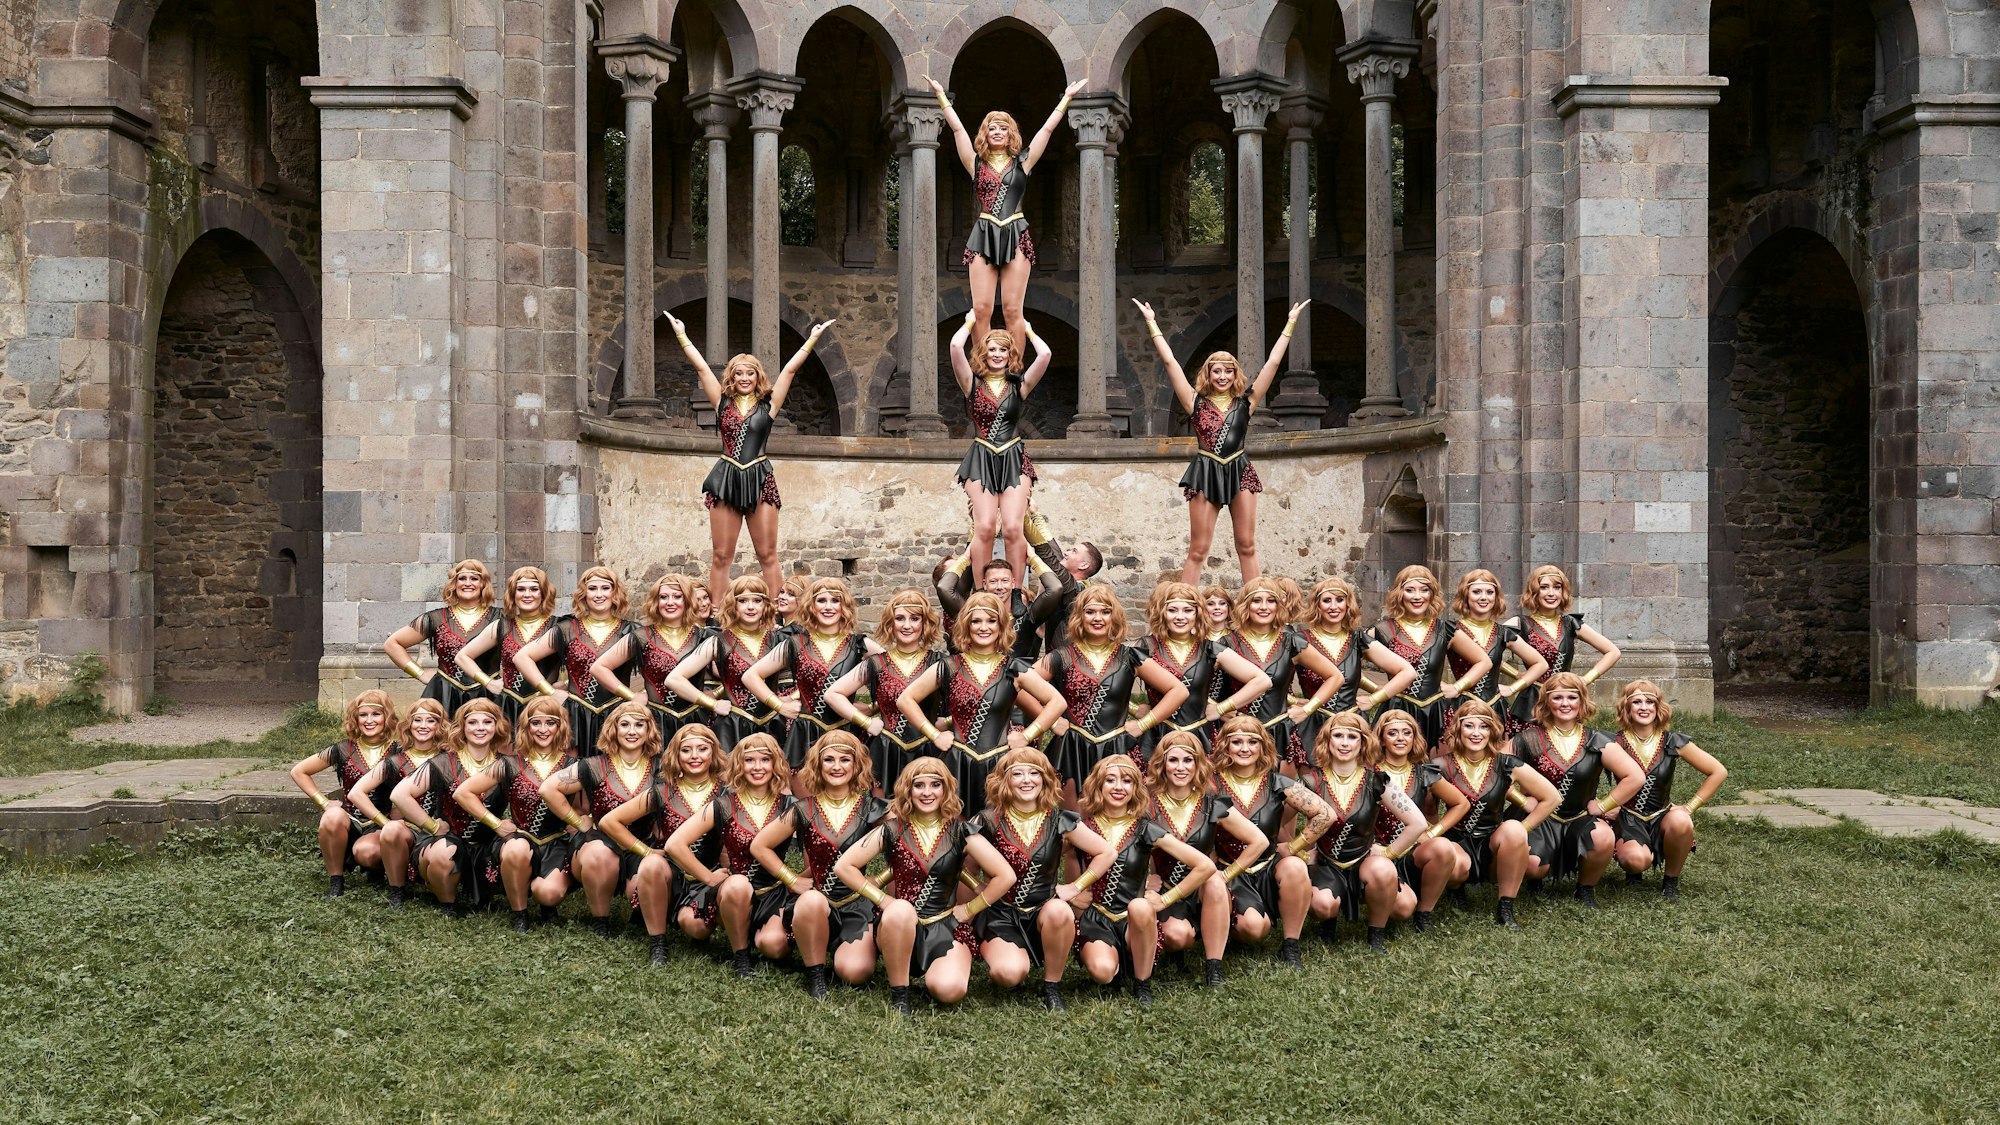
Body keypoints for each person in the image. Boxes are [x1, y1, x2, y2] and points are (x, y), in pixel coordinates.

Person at [661, 309, 833, 608]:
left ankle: (780, 615)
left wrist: (813, 339)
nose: (744, 377)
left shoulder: (770, 404)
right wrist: (681, 334)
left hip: (759, 476)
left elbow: (790, 371)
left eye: (749, 373)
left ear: (757, 377)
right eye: (738, 373)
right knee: (721, 555)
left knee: (767, 554)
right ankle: (714, 615)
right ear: (731, 376)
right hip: (726, 478)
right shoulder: (722, 402)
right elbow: (702, 369)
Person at [1133, 299, 1310, 586]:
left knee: (1247, 546)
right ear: (1208, 373)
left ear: (1235, 374)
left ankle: (1255, 603)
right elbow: (1170, 363)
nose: (1223, 376)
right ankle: (1186, 605)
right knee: (1198, 549)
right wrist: (1152, 322)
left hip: (1239, 469)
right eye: (1217, 371)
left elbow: (1273, 364)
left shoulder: (1247, 402)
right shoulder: (1194, 402)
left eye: (1228, 371)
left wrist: (1290, 322)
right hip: (1206, 469)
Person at [833, 756, 1016, 1015]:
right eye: (919, 786)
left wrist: (970, 909)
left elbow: (1005, 876)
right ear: (908, 790)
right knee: (899, 910)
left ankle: (931, 967)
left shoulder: (961, 831)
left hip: (944, 924)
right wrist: (883, 900)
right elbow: (844, 867)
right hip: (898, 923)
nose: (927, 793)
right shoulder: (891, 829)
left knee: (949, 990)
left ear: (946, 790)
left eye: (935, 785)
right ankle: (900, 991)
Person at [928, 73, 1087, 350]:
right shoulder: (974, 163)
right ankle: (982, 374)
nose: (998, 132)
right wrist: (942, 96)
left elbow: (1045, 132)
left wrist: (1066, 100)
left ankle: (1012, 375)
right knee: (981, 311)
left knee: (1013, 310)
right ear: (985, 134)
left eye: (1003, 127)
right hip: (983, 235)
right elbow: (957, 131)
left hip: (1016, 234)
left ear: (1010, 133)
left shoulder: (1023, 162)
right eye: (992, 128)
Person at [894, 591, 1066, 814]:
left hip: (1000, 763)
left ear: (1001, 626)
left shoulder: (1013, 668)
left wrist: (1027, 735)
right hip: (956, 762)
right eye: (976, 621)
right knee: (954, 827)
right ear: (967, 625)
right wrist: (934, 735)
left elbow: (1056, 702)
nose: (984, 627)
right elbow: (906, 699)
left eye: (991, 621)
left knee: (997, 825)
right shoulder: (949, 666)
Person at [973, 747, 1115, 1012]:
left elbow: (1107, 852)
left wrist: (1075, 887)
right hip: (1002, 913)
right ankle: (1013, 958)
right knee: (1008, 974)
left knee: (1060, 910)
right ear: (1004, 780)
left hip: (1045, 912)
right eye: (1018, 774)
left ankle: (1052, 985)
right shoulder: (987, 820)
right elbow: (958, 859)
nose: (1027, 780)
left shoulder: (1060, 819)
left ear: (1045, 779)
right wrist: (977, 887)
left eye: (1034, 773)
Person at [750, 730, 889, 996]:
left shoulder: (871, 807)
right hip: (814, 899)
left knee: (855, 972)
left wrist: (880, 879)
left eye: (845, 760)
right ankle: (815, 972)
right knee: (772, 943)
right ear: (818, 765)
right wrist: (792, 879)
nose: (837, 767)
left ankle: (842, 947)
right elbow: (760, 846)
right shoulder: (804, 809)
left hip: (854, 902)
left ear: (857, 764)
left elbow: (907, 845)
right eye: (829, 760)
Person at [1073, 754, 1216, 1004]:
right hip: (1097, 917)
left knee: (1139, 906)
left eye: (1127, 781)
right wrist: (1075, 893)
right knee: (1102, 972)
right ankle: (1116, 963)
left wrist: (1166, 899)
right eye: (1110, 780)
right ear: (1097, 785)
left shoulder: (1145, 827)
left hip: (1136, 919)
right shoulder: (1082, 828)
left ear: (1135, 788)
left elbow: (1204, 865)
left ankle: (1143, 982)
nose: (1119, 787)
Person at [1208, 714, 1336, 968]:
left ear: (1263, 746)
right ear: (1225, 746)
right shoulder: (1211, 785)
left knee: (1296, 866)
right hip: (1228, 869)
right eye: (1237, 742)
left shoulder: (1276, 782)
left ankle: (1291, 944)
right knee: (1254, 930)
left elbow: (1326, 814)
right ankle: (1231, 926)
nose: (1245, 748)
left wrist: (1293, 847)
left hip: (1267, 865)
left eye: (1252, 742)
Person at [594, 721, 727, 964]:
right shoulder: (663, 791)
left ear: (714, 752)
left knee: (696, 929)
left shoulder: (726, 793)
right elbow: (609, 822)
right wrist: (645, 851)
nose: (694, 756)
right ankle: (658, 942)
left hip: (708, 872)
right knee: (651, 865)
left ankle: (686, 914)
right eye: (686, 750)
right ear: (676, 755)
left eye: (702, 749)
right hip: (670, 872)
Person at [1143, 732, 1269, 988]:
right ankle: (1179, 945)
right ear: (1161, 764)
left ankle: (1214, 965)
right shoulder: (1147, 805)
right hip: (1167, 887)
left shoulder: (1211, 803)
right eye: (1173, 760)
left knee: (1213, 881)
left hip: (1204, 888)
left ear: (1198, 764)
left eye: (1188, 760)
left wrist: (1227, 875)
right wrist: (1146, 878)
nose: (1181, 768)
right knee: (1178, 938)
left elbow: (1260, 841)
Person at [1296, 713, 1429, 953]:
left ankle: (1375, 932)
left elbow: (1418, 823)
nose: (1345, 743)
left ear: (1363, 743)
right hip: (1326, 863)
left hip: (1364, 860)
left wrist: (1387, 853)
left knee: (1404, 907)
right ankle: (1329, 919)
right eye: (1338, 736)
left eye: (1352, 737)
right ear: (1327, 741)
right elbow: (1284, 826)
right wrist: (1303, 853)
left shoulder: (1376, 780)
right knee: (1322, 905)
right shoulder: (1310, 782)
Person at [666, 733, 796, 978]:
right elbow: (675, 844)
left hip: (773, 892)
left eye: (765, 760)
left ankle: (757, 930)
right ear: (739, 764)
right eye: (749, 760)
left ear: (775, 763)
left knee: (775, 948)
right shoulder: (724, 804)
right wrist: (709, 878)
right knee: (697, 920)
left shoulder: (790, 805)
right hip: (734, 888)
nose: (757, 767)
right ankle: (741, 955)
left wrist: (795, 880)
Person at [1425, 699, 1561, 928]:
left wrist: (1522, 831)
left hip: (1493, 842)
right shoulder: (1439, 766)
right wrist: (1437, 838)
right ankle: (1455, 887)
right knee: (1455, 867)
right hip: (1457, 841)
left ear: (1493, 730)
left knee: (1514, 830)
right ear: (1458, 729)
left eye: (1484, 726)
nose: (1476, 733)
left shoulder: (1506, 763)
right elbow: (1429, 811)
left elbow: (1553, 798)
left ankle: (1505, 907)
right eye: (1469, 726)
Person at [1036, 584, 1187, 789]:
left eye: (1105, 612)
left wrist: (1142, 724)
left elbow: (1178, 691)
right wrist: (1050, 721)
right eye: (1090, 612)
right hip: (1071, 750)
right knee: (1070, 818)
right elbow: (1016, 684)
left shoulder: (1130, 656)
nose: (1098, 618)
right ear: (1079, 617)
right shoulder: (1061, 657)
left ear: (1114, 617)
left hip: (1117, 748)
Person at [1513, 672, 1644, 907]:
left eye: (1572, 698)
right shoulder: (1528, 738)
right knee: (1533, 866)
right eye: (1558, 698)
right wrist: (1522, 801)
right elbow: (1494, 770)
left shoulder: (1597, 740)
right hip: (1540, 818)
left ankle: (1585, 889)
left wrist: (1604, 805)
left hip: (1580, 817)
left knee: (1603, 835)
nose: (1565, 704)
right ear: (1546, 702)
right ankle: (1535, 878)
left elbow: (1634, 777)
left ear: (1582, 702)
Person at [538, 701, 662, 945]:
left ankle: (640, 915)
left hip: (641, 842)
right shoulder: (594, 766)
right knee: (598, 855)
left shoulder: (660, 767)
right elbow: (548, 789)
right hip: (599, 842)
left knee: (641, 887)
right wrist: (577, 821)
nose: (632, 731)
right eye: (624, 725)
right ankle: (600, 920)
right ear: (612, 729)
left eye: (639, 725)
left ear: (649, 731)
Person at [450, 696, 578, 931]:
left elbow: (582, 809)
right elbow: (463, 793)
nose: (542, 729)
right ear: (526, 726)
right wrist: (495, 823)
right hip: (518, 839)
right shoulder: (509, 763)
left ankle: (545, 900)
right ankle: (519, 912)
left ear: (560, 726)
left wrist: (578, 820)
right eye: (535, 723)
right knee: (518, 849)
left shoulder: (572, 764)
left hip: (556, 842)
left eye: (550, 722)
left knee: (548, 894)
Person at [948, 311, 1055, 582]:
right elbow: (955, 347)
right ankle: (982, 592)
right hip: (981, 456)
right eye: (992, 349)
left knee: (1012, 528)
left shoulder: (1019, 386)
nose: (997, 354)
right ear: (984, 353)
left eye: (1003, 350)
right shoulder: (971, 384)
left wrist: (1028, 331)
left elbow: (1045, 355)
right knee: (984, 527)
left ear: (1010, 355)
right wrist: (970, 322)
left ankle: (1016, 591)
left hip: (1014, 457)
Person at [388, 698, 512, 919]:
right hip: (446, 838)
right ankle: (448, 903)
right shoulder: (444, 763)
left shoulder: (507, 764)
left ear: (497, 726)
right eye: (472, 722)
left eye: (487, 722)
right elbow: (399, 795)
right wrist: (432, 825)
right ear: (462, 727)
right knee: (444, 853)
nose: (480, 728)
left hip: (487, 842)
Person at [742, 576, 879, 769]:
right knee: (803, 799)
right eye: (821, 600)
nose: (828, 607)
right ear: (811, 605)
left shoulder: (859, 645)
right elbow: (750, 676)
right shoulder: (795, 644)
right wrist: (779, 705)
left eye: (835, 600)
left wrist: (873, 707)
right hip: (803, 733)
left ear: (844, 606)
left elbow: (894, 678)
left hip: (844, 732)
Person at [1609, 680, 1727, 900]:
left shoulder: (1673, 741)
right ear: (1626, 707)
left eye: (1649, 702)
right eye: (1636, 702)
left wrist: (1689, 807)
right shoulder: (1613, 742)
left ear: (1658, 707)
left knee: (1682, 821)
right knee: (1635, 861)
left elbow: (1718, 771)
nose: (1644, 707)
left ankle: (1671, 880)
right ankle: (1633, 868)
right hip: (1628, 817)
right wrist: (1606, 805)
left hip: (1662, 814)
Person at [822, 588, 945, 791]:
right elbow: (832, 694)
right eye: (900, 618)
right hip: (885, 752)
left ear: (925, 623)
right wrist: (865, 721)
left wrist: (948, 723)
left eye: (914, 619)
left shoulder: (939, 663)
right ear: (890, 623)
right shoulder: (877, 664)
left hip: (928, 750)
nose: (907, 625)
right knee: (883, 817)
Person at [1288, 576, 1415, 766]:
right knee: (1315, 785)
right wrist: (1293, 701)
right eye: (1327, 600)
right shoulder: (1299, 640)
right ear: (1317, 605)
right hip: (1312, 724)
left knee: (1355, 785)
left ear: (1348, 605)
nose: (1334, 606)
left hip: (1352, 725)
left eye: (1340, 600)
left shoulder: (1357, 640)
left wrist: (1373, 699)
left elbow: (1407, 672)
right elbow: (1272, 678)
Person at [509, 565, 630, 758]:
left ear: (615, 592)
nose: (599, 594)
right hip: (575, 715)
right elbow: (522, 657)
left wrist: (636, 696)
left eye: (605, 588)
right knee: (572, 777)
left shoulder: (630, 631)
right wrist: (550, 692)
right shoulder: (567, 629)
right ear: (584, 593)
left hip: (617, 714)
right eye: (592, 589)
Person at [1138, 581, 1273, 753]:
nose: (1180, 616)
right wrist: (1135, 709)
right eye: (1173, 610)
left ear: (1198, 614)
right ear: (1162, 613)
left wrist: (1220, 708)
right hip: (1157, 735)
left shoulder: (1210, 649)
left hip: (1200, 736)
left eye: (1187, 610)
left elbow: (1262, 681)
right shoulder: (1145, 647)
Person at [289, 690, 399, 898]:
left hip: (382, 822)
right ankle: (336, 882)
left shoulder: (398, 750)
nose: (369, 720)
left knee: (368, 854)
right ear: (355, 719)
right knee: (331, 817)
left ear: (387, 717)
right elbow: (299, 771)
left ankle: (377, 869)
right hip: (349, 819)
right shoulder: (343, 748)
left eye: (376, 714)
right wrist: (323, 802)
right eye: (363, 715)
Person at [345, 697, 449, 910]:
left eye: (430, 721)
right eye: (417, 720)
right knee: (391, 831)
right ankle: (396, 891)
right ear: (408, 724)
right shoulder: (396, 760)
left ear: (440, 726)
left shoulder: (450, 759)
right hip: (407, 829)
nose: (423, 726)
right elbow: (356, 793)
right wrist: (384, 823)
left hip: (443, 829)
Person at [1370, 710, 1470, 932]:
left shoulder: (1424, 773)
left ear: (1415, 738)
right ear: (1381, 739)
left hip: (1412, 850)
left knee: (1443, 847)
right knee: (1401, 909)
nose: (1400, 738)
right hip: (1377, 852)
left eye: (1407, 733)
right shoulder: (1368, 773)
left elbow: (1461, 804)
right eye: (1393, 733)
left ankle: (1425, 913)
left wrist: (1432, 833)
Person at [1373, 564, 1493, 747]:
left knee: (1436, 767)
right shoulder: (1382, 630)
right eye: (1410, 590)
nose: (1417, 596)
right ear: (1400, 593)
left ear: (1432, 594)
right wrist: (1377, 690)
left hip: (1436, 712)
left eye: (1424, 590)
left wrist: (1458, 687)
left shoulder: (1445, 629)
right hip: (1397, 712)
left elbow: (1483, 661)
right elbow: (1351, 661)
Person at [663, 575, 784, 752]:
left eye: (757, 600)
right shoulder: (717, 642)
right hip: (731, 727)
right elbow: (674, 679)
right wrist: (712, 703)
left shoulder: (780, 641)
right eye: (742, 601)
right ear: (732, 605)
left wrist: (791, 699)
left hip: (773, 725)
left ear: (766, 604)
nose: (750, 607)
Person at [588, 573, 712, 743]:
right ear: (655, 601)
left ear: (688, 600)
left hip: (696, 720)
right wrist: (632, 696)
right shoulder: (642, 637)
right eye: (663, 597)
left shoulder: (704, 637)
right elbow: (598, 668)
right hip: (655, 723)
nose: (670, 602)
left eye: (677, 597)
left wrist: (714, 694)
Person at [1222, 577, 1344, 746]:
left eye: (1271, 601)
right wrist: (1219, 709)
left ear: (1278, 606)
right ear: (1245, 605)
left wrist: (1306, 710)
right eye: (1257, 601)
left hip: (1281, 733)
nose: (1264, 607)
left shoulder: (1291, 643)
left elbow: (1335, 677)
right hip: (1238, 735)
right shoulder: (1226, 644)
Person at [1505, 564, 1622, 730]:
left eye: (1557, 587)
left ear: (1563, 591)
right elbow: (1486, 651)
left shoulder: (1571, 623)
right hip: (1532, 701)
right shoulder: (1521, 623)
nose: (1551, 593)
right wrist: (1516, 674)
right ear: (1534, 592)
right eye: (1544, 587)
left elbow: (1613, 652)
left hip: (1564, 700)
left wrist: (1584, 680)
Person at [383, 559, 499, 718]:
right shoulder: (436, 618)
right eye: (462, 578)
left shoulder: (501, 618)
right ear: (454, 583)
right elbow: (392, 644)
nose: (467, 583)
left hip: (489, 695)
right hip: (444, 695)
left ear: (483, 584)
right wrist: (420, 673)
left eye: (474, 578)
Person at [452, 565, 563, 726]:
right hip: (507, 707)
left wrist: (566, 686)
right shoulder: (502, 626)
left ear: (544, 593)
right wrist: (488, 682)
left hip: (545, 708)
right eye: (521, 589)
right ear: (513, 594)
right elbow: (462, 657)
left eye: (534, 589)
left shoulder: (559, 626)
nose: (527, 594)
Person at [1448, 569, 1548, 734]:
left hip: (1495, 707)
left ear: (1496, 597)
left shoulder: (1503, 633)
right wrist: (1442, 687)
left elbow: (1540, 664)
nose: (1483, 597)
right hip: (1461, 705)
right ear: (1465, 595)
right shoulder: (1451, 630)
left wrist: (1513, 688)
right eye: (1476, 592)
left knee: (1499, 757)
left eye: (1489, 592)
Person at [936, 554, 1066, 663]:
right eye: (993, 581)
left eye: (1004, 580)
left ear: (1013, 583)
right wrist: (966, 556)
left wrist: (1032, 557)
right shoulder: (972, 613)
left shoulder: (1027, 616)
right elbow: (944, 588)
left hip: (1020, 687)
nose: (999, 587)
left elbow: (1055, 588)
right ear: (984, 584)